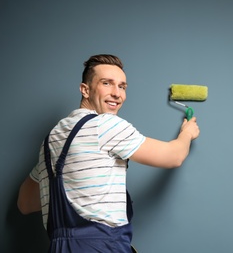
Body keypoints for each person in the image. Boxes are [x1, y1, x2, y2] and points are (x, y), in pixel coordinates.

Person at [17, 54, 200, 252]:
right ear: (85, 89)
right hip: (102, 245)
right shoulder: (104, 125)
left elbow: (25, 204)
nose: (117, 93)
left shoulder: (50, 141)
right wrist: (187, 133)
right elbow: (173, 156)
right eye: (107, 83)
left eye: (122, 86)